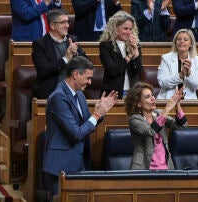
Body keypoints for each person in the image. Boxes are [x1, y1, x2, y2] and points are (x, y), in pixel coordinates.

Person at [42, 56, 118, 196]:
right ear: (76, 74)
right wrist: (96, 115)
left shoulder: (80, 96)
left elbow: (86, 124)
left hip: (79, 162)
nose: (89, 83)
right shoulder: (58, 97)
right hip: (61, 165)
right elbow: (76, 133)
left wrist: (100, 113)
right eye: (88, 78)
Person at [124, 82, 187, 170]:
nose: (153, 98)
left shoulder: (159, 114)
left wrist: (177, 104)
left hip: (166, 166)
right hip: (144, 168)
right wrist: (167, 108)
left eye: (152, 95)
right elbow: (151, 131)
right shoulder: (134, 119)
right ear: (138, 103)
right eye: (147, 97)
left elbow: (181, 125)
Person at [32, 9, 87, 99]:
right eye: (63, 23)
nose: (67, 26)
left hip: (73, 91)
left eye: (68, 22)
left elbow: (86, 64)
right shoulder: (40, 44)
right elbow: (43, 70)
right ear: (52, 25)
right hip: (51, 92)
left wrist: (75, 54)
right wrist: (65, 59)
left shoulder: (73, 40)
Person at [99, 11, 143, 99]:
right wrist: (129, 56)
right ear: (115, 28)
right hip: (112, 93)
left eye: (130, 29)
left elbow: (138, 71)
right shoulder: (105, 46)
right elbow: (113, 70)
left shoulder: (134, 44)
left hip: (132, 93)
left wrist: (136, 52)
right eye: (125, 28)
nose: (129, 32)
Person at [157, 29, 198, 99]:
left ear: (191, 44)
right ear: (175, 43)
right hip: (168, 99)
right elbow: (162, 82)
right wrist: (180, 75)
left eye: (185, 40)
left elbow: (197, 85)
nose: (181, 41)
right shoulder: (166, 58)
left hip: (189, 101)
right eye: (179, 39)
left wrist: (189, 73)